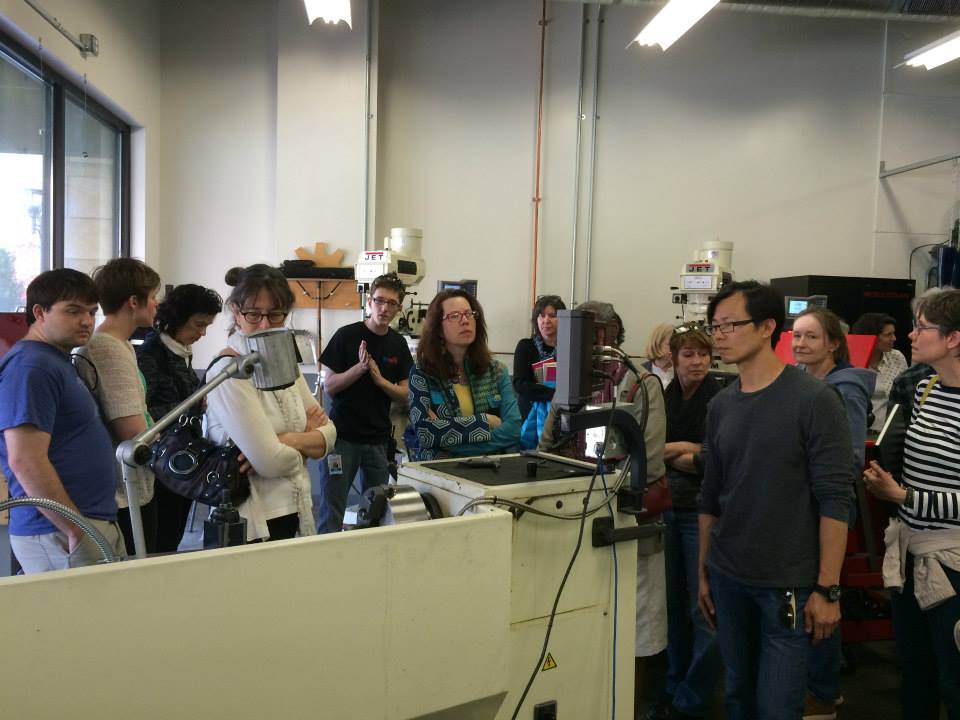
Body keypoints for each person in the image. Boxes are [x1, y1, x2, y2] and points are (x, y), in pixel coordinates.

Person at [698, 281, 854, 720]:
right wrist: (704, 572)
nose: (720, 336)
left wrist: (827, 589)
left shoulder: (815, 400)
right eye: (715, 327)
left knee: (778, 706)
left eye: (730, 325)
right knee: (738, 697)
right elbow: (711, 495)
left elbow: (835, 500)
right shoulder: (721, 405)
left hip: (787, 585)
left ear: (767, 327)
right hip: (728, 576)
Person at [537, 300, 668, 705]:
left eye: (591, 333)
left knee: (636, 628)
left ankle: (631, 705)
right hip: (577, 520)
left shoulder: (641, 384)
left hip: (628, 524)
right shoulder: (571, 384)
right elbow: (547, 445)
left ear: (609, 333)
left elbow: (648, 461)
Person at [863, 289, 960, 720]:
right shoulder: (925, 388)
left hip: (952, 562)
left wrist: (906, 497)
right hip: (909, 551)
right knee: (915, 670)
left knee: (953, 680)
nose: (910, 334)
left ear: (953, 338)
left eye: (922, 327)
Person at [0, 269, 124, 572]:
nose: (86, 321)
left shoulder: (55, 361)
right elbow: (25, 460)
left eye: (92, 312)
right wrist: (75, 530)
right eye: (73, 311)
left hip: (83, 522)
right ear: (39, 313)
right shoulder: (32, 366)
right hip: (57, 530)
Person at [205, 264, 337, 542]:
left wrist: (286, 440)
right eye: (254, 314)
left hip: (296, 506)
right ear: (236, 312)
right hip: (253, 518)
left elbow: (330, 435)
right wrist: (305, 441)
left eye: (275, 314)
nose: (265, 325)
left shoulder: (284, 362)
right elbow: (271, 462)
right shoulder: (228, 371)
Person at [792, 307, 876, 720]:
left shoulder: (845, 390)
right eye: (796, 335)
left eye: (811, 336)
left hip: (828, 510)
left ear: (833, 344)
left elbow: (851, 458)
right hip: (801, 508)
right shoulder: (803, 381)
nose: (800, 343)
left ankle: (822, 693)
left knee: (821, 597)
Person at [646, 324, 722, 720]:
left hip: (701, 513)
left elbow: (713, 460)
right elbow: (649, 449)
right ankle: (674, 686)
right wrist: (687, 450)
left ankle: (692, 699)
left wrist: (670, 450)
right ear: (673, 359)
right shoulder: (665, 396)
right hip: (667, 507)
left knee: (702, 608)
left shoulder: (719, 399)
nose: (697, 362)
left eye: (703, 354)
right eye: (689, 354)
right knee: (672, 606)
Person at [74, 258, 162, 555]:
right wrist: (158, 434)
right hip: (123, 494)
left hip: (133, 487)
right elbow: (132, 431)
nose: (157, 303)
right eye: (153, 296)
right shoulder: (106, 348)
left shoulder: (120, 343)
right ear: (133, 302)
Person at [317, 273, 413, 534]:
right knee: (332, 509)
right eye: (380, 301)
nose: (384, 308)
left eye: (392, 303)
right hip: (341, 439)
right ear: (369, 301)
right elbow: (330, 387)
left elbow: (405, 394)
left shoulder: (398, 344)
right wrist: (359, 369)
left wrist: (380, 382)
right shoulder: (346, 336)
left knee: (376, 511)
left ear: (399, 308)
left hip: (377, 442)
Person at [136, 283, 222, 553]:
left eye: (206, 325)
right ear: (177, 318)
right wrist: (190, 405)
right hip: (160, 463)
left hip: (182, 459)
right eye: (198, 324)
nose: (202, 333)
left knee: (172, 537)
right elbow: (141, 412)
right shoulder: (150, 355)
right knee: (161, 541)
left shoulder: (181, 351)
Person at [408, 289, 521, 460]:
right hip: (439, 468)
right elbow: (425, 433)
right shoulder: (423, 373)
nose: (465, 321)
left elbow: (514, 429)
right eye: (454, 316)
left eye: (469, 314)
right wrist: (483, 422)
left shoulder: (497, 371)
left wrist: (451, 443)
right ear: (438, 329)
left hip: (490, 467)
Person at [851, 312, 908, 433]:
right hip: (860, 431)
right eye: (888, 335)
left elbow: (905, 394)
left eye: (893, 333)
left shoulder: (897, 357)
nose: (894, 338)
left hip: (890, 431)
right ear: (872, 337)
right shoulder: (853, 361)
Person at [512, 294, 565, 420]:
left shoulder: (569, 348)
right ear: (536, 319)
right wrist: (555, 395)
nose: (546, 320)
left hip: (561, 414)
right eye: (541, 315)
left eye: (552, 315)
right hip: (530, 415)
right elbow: (520, 384)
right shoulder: (526, 346)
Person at [643, 322, 675, 389]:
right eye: (671, 344)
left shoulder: (682, 370)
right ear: (657, 344)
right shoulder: (641, 371)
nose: (676, 348)